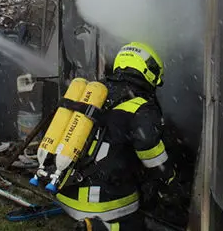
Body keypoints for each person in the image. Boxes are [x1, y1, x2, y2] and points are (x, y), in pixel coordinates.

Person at [55, 42, 178, 231]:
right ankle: (96, 227)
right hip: (100, 204)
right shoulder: (141, 106)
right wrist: (169, 179)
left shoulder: (96, 93)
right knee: (137, 224)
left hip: (65, 193)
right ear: (147, 71)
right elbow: (149, 150)